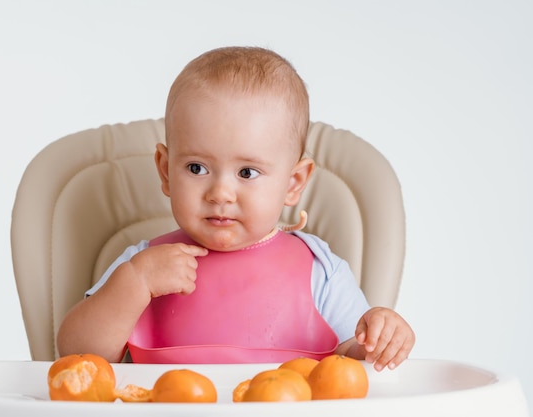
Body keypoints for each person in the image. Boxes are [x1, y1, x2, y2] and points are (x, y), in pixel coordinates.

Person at [57, 46, 415, 371]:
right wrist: (134, 283)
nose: (220, 193)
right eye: (196, 168)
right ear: (165, 171)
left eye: (247, 172)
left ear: (293, 182)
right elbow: (76, 356)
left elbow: (351, 364)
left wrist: (378, 341)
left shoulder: (322, 272)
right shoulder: (145, 264)